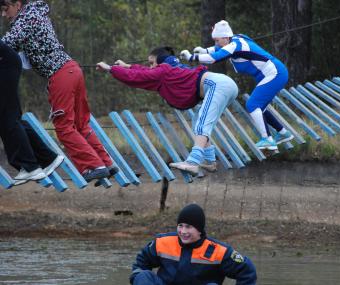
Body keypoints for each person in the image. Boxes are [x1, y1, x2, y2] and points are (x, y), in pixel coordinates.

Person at [0, 0, 117, 182]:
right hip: (72, 70)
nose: (4, 15)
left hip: (60, 75)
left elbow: (6, 44)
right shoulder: (36, 14)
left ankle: (93, 166)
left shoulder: (26, 18)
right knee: (81, 125)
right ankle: (107, 163)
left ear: (18, 3)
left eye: (6, 9)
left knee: (63, 127)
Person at [96, 46, 239, 176]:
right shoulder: (170, 67)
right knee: (198, 121)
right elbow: (147, 71)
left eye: (152, 62)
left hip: (217, 85)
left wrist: (110, 69)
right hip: (225, 85)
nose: (150, 66)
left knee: (203, 123)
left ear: (161, 61)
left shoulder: (163, 71)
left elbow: (138, 76)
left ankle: (193, 162)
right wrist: (128, 66)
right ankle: (209, 161)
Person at [180, 20, 294, 151]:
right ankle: (283, 133)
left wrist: (192, 58)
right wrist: (204, 50)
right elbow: (218, 48)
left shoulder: (234, 45)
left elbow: (214, 57)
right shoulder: (234, 40)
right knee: (259, 107)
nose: (216, 43)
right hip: (275, 73)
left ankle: (267, 139)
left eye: (217, 40)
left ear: (225, 37)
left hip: (275, 74)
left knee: (252, 104)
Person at [130, 203, 257, 285]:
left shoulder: (219, 251)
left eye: (189, 227)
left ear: (199, 229)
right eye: (180, 226)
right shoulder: (162, 242)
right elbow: (141, 263)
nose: (183, 231)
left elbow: (247, 271)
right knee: (143, 276)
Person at [0, 39, 64, 185]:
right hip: (7, 62)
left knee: (7, 117)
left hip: (4, 63)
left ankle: (30, 166)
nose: (3, 14)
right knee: (11, 116)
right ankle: (47, 158)